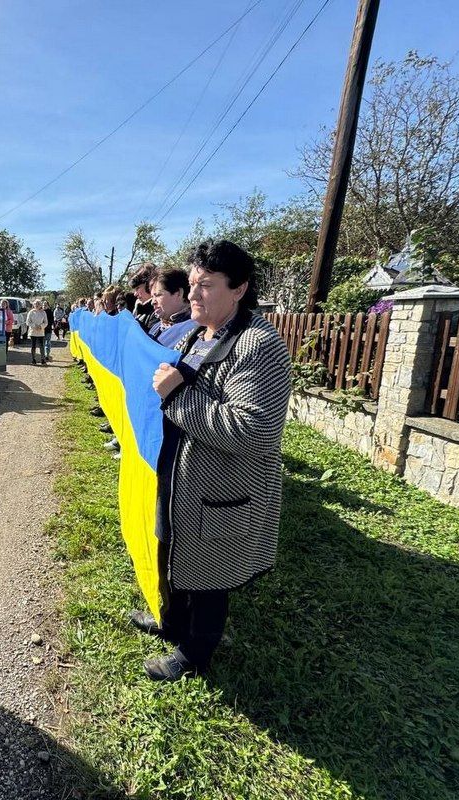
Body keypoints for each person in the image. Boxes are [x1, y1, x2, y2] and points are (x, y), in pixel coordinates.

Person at [137, 240, 291, 681]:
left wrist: (178, 396)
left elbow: (253, 430)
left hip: (221, 490)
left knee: (211, 576)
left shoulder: (259, 345)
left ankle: (194, 654)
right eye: (190, 284)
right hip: (180, 479)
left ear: (239, 289)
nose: (193, 295)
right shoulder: (194, 334)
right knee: (174, 549)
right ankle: (170, 623)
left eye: (205, 286)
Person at [147, 268, 197, 348]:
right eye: (152, 297)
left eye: (158, 295)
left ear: (179, 293)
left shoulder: (196, 329)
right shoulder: (155, 327)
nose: (153, 302)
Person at [129, 262, 159, 331]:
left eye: (137, 288)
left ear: (149, 285)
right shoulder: (141, 310)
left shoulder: (158, 311)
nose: (135, 294)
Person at [27, 300, 48, 365]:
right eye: (35, 304)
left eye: (38, 304)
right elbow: (28, 322)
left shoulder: (43, 312)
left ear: (40, 305)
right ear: (33, 305)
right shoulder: (31, 312)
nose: (37, 305)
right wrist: (34, 326)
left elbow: (46, 322)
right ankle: (33, 359)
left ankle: (43, 359)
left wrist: (41, 326)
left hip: (40, 332)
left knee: (41, 346)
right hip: (33, 332)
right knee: (33, 346)